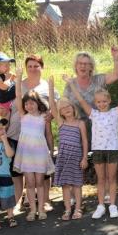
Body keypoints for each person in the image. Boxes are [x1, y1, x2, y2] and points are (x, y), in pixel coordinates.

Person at [66, 74, 118, 219]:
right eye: (98, 102)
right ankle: (101, 205)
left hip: (112, 150)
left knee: (112, 178)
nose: (102, 104)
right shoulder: (93, 114)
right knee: (101, 179)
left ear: (109, 101)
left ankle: (113, 205)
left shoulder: (115, 112)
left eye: (104, 101)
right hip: (98, 150)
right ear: (95, 103)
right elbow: (80, 99)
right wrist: (71, 84)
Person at [63, 46, 118, 205]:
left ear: (91, 66)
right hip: (77, 127)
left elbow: (116, 75)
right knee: (77, 159)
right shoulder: (70, 84)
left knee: (103, 161)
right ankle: (76, 193)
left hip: (100, 128)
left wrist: (116, 57)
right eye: (80, 63)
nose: (83, 66)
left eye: (86, 63)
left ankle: (108, 194)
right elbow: (65, 105)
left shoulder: (98, 80)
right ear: (75, 66)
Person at [6, 55, 57, 215]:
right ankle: (27, 205)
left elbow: (54, 110)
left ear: (41, 67)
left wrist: (51, 149)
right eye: (30, 66)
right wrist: (19, 78)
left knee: (40, 180)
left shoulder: (43, 115)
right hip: (24, 147)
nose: (33, 68)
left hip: (40, 147)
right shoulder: (23, 113)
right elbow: (19, 97)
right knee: (28, 179)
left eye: (36, 65)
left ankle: (42, 205)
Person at [49, 80, 88, 220]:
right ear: (60, 113)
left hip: (76, 158)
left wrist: (84, 158)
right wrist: (51, 87)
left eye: (68, 106)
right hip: (64, 157)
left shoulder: (80, 123)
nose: (66, 109)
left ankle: (78, 209)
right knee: (65, 185)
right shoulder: (61, 123)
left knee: (77, 185)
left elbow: (84, 141)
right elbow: (52, 106)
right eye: (63, 108)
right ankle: (67, 210)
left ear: (73, 107)